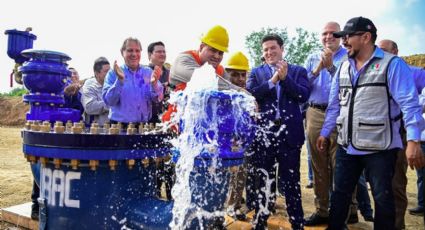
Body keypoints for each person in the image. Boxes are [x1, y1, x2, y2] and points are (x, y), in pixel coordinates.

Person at [317, 16, 425, 230]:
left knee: (383, 198)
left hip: (380, 148)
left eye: (348, 37)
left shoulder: (392, 65)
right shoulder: (343, 67)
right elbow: (335, 105)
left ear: (366, 37)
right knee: (340, 195)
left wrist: (413, 140)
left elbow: (409, 104)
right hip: (347, 147)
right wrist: (325, 131)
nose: (344, 41)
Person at [246, 34, 309, 230]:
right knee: (263, 179)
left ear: (282, 49)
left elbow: (303, 95)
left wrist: (286, 79)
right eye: (265, 49)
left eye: (273, 48)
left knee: (291, 181)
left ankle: (297, 222)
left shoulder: (298, 71)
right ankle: (261, 220)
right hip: (265, 135)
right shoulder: (256, 73)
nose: (269, 52)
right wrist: (274, 80)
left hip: (290, 136)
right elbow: (251, 94)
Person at [303, 22, 361, 226]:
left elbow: (353, 84)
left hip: (342, 115)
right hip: (315, 113)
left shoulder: (350, 56)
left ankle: (346, 212)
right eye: (324, 33)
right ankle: (322, 210)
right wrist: (318, 68)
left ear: (341, 36)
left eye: (333, 33)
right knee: (319, 166)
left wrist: (330, 68)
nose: (329, 37)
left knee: (342, 166)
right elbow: (302, 87)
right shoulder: (311, 57)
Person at [378, 39, 425, 221]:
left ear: (395, 52)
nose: (380, 55)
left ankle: (396, 225)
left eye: (384, 51)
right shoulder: (373, 72)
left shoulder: (416, 73)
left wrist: (411, 105)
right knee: (380, 183)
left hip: (401, 133)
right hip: (377, 134)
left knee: (396, 183)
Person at [102, 37, 163, 128]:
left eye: (137, 51)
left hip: (143, 127)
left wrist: (154, 85)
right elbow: (109, 101)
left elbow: (158, 99)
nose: (134, 54)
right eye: (130, 50)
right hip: (119, 128)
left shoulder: (148, 72)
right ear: (122, 52)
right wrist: (119, 81)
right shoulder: (113, 73)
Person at [224, 51, 250, 221]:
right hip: (225, 142)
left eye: (243, 74)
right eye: (236, 75)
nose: (240, 78)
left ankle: (235, 206)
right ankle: (225, 208)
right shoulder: (222, 92)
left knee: (241, 173)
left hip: (241, 140)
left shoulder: (246, 94)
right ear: (227, 74)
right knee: (226, 176)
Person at [81, 57, 111, 126]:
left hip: (114, 128)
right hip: (97, 130)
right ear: (97, 73)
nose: (110, 74)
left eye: (110, 71)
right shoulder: (89, 85)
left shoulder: (112, 84)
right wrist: (111, 104)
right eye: (106, 71)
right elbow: (89, 107)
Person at [147, 41, 170, 123]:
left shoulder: (171, 74)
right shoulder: (144, 73)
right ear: (150, 55)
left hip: (168, 120)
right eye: (159, 52)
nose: (162, 54)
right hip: (148, 121)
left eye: (164, 52)